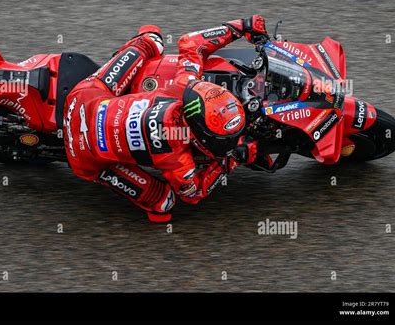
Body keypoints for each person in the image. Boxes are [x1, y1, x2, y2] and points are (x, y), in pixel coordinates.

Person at [63, 16, 269, 222]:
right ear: (199, 135)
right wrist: (235, 158)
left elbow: (190, 43)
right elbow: (193, 194)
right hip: (83, 157)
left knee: (152, 40)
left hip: (82, 99)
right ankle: (133, 194)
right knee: (164, 204)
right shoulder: (177, 157)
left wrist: (242, 26)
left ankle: (144, 41)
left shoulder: (183, 85)